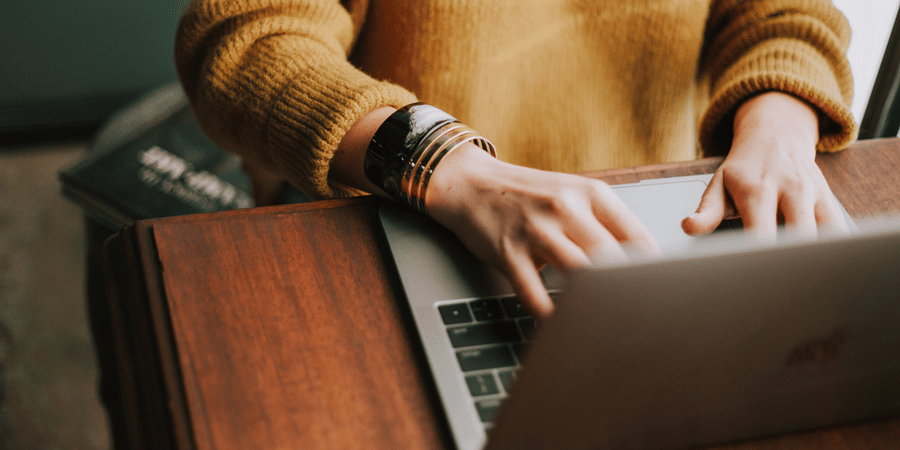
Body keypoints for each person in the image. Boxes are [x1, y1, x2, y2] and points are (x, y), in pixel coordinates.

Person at [175, 0, 857, 318]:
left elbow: (786, 12)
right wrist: (449, 166)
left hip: (647, 238)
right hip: (395, 227)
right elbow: (245, 39)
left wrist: (779, 120)